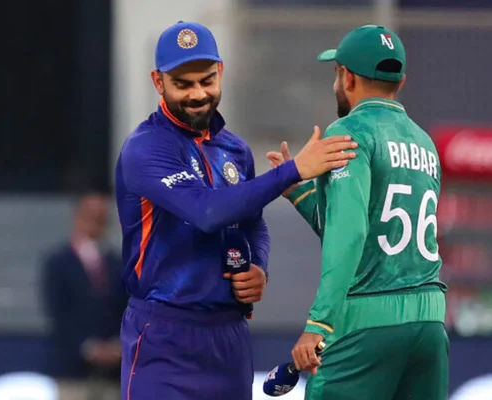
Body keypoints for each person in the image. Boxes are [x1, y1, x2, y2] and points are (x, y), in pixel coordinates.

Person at [114, 21, 357, 400]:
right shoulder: (146, 148)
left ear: (221, 72)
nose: (198, 94)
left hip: (229, 337)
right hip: (164, 337)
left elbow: (252, 223)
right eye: (183, 83)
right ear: (157, 81)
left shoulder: (235, 150)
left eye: (207, 80)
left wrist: (258, 266)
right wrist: (293, 171)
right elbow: (206, 211)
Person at [267, 25, 449, 400]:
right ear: (401, 81)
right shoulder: (423, 141)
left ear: (347, 77)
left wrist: (319, 322)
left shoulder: (350, 131)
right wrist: (298, 192)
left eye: (336, 73)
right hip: (429, 323)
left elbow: (349, 234)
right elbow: (367, 228)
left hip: (366, 324)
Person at [40, 189, 127, 400]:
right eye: (91, 214)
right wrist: (88, 347)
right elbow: (57, 312)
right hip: (72, 373)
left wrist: (117, 346)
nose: (96, 220)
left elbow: (126, 309)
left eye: (101, 216)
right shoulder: (58, 262)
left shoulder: (119, 263)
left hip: (113, 374)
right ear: (77, 216)